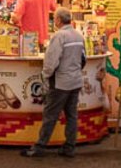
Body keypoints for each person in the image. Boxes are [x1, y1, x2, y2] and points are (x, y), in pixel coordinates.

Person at [21, 8, 86, 158]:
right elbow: (83, 58)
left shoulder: (59, 36)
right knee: (72, 115)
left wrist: (45, 75)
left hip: (60, 82)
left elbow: (51, 61)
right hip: (75, 81)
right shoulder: (78, 35)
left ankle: (39, 147)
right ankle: (69, 146)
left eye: (54, 18)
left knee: (50, 115)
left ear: (58, 20)